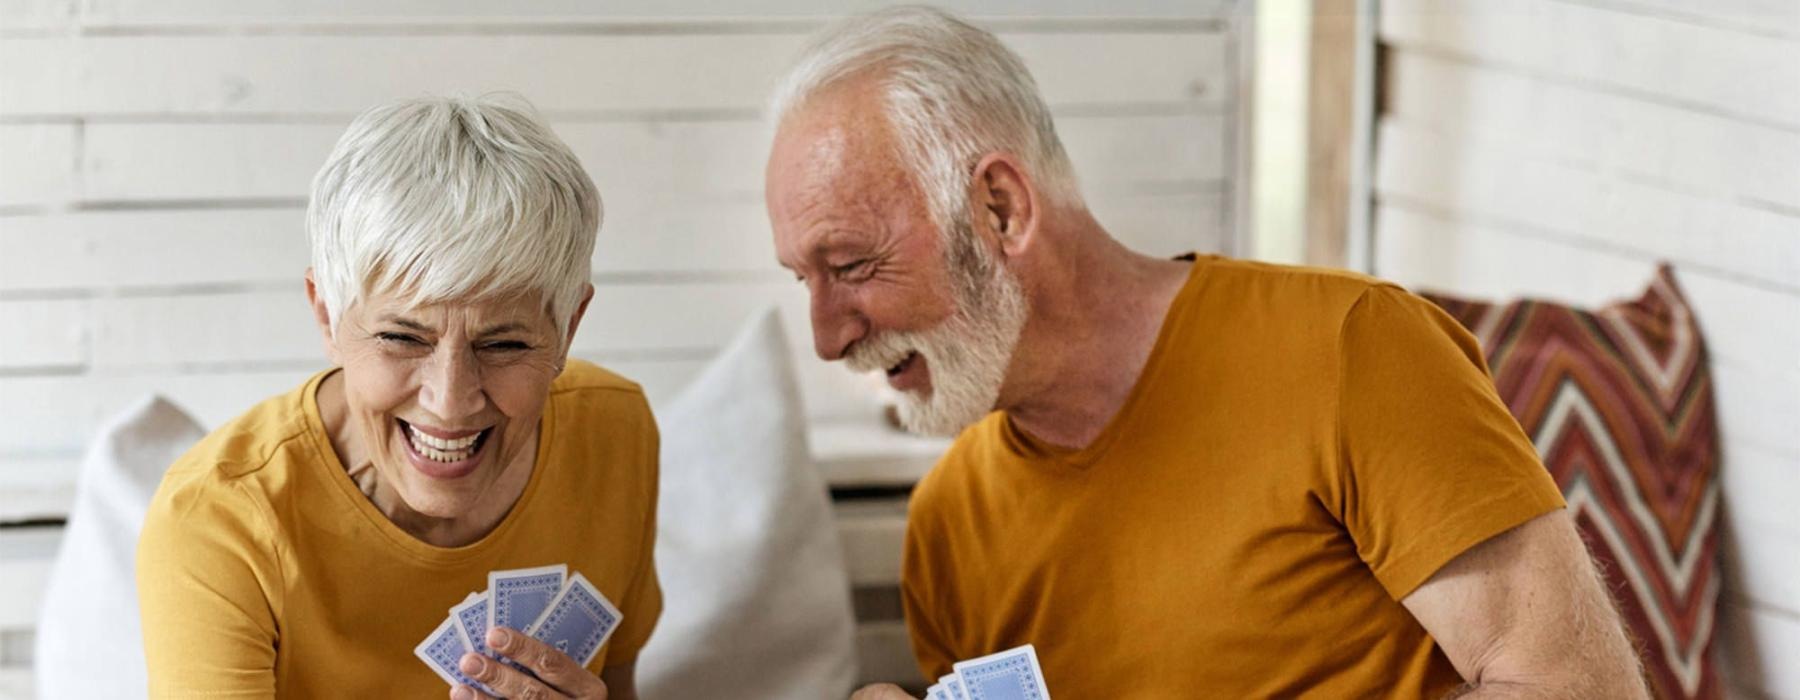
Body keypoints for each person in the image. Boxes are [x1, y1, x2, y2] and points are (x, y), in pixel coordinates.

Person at [763, 7, 1648, 698]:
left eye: (850, 265)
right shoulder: (949, 524)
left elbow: (1577, 689)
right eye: (807, 280)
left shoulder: (1354, 347)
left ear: (1000, 208)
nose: (829, 335)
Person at [137, 95, 660, 699]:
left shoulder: (616, 432)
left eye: (505, 344)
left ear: (568, 327)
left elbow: (615, 683)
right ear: (327, 317)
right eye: (402, 337)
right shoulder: (220, 520)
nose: (451, 401)